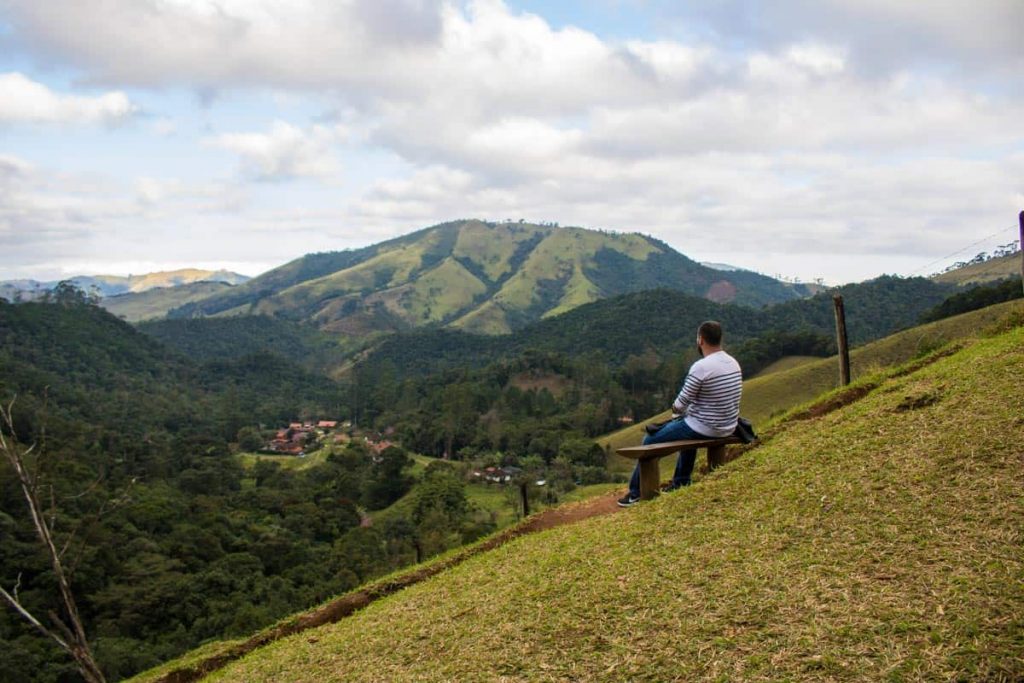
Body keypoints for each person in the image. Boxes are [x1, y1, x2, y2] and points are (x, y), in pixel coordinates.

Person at [618, 320, 743, 507]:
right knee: (688, 427)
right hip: (728, 425)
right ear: (720, 339)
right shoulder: (733, 363)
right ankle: (681, 480)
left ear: (701, 340)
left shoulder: (701, 367)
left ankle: (636, 493)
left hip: (706, 427)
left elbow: (678, 406)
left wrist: (685, 411)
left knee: (649, 441)